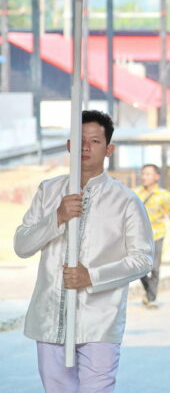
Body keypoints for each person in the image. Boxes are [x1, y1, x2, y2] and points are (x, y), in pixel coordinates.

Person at [14, 110, 154, 393]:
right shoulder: (49, 191)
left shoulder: (126, 201)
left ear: (108, 149)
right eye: (79, 140)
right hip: (51, 318)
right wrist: (57, 217)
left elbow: (142, 259)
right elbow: (22, 245)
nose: (85, 148)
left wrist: (92, 276)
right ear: (68, 145)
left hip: (100, 320)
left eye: (94, 141)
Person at [133, 163, 170, 307]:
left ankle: (151, 298)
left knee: (155, 268)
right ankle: (149, 291)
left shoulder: (164, 195)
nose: (144, 177)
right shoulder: (135, 193)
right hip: (139, 236)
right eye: (143, 174)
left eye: (148, 174)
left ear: (157, 176)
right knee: (139, 267)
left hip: (157, 235)